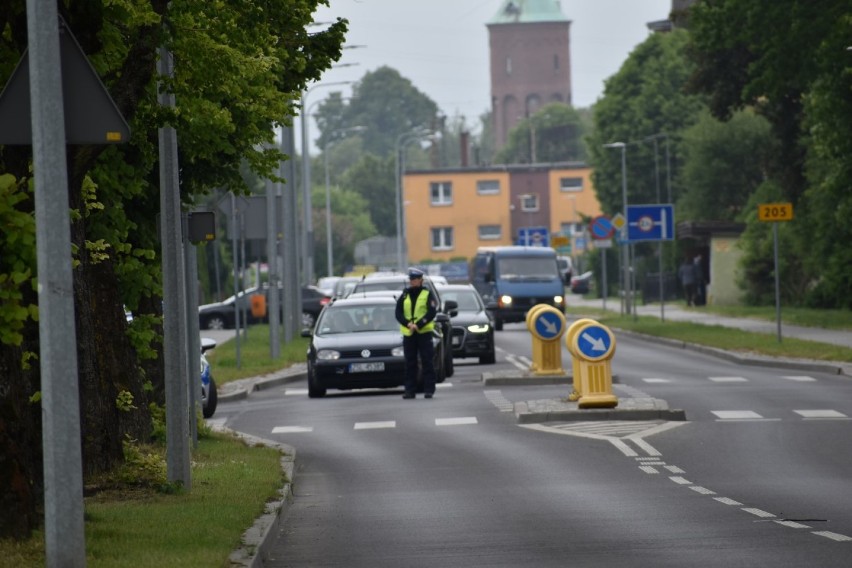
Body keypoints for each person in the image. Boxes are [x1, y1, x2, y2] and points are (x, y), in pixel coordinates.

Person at [395, 267, 438, 399]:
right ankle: (410, 391)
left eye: (414, 279)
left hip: (423, 333)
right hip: (409, 333)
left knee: (427, 361)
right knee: (410, 363)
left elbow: (431, 312)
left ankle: (429, 390)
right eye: (411, 279)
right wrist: (407, 323)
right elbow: (398, 312)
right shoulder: (405, 295)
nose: (412, 281)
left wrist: (418, 324)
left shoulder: (427, 294)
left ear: (421, 280)